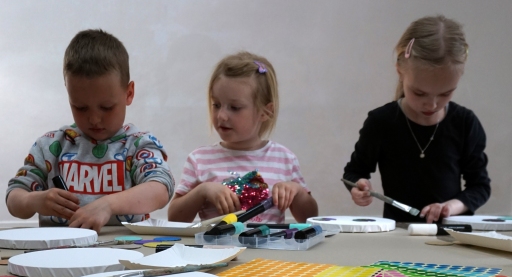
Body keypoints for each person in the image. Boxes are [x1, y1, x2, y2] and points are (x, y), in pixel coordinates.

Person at [6, 29, 174, 231]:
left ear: (129, 93)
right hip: (61, 249)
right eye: (80, 107)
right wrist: (35, 201)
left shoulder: (138, 144)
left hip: (124, 248)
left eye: (106, 107)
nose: (94, 119)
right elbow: (14, 196)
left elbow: (161, 188)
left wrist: (108, 205)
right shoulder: (51, 146)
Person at [343, 15, 491, 223]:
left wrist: (450, 207)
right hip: (398, 234)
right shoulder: (381, 122)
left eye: (445, 93)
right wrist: (358, 186)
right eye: (419, 93)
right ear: (400, 72)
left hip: (451, 234)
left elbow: (480, 187)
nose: (432, 104)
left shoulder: (465, 123)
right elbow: (353, 172)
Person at [168, 51, 317, 224]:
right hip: (216, 243)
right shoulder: (199, 159)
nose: (221, 115)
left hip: (270, 243)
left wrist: (296, 191)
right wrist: (202, 191)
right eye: (216, 105)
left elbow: (310, 218)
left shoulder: (285, 159)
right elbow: (174, 218)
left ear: (265, 112)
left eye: (235, 107)